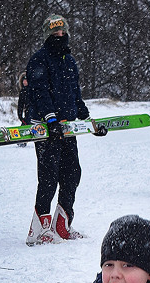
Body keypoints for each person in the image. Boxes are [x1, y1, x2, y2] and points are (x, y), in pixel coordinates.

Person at [23, 13, 104, 245]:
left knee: (72, 174)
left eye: (63, 33)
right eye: (55, 33)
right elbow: (38, 93)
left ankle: (62, 225)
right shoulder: (39, 60)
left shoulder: (70, 61)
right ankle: (39, 230)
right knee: (48, 177)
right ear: (47, 35)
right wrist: (50, 119)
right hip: (46, 127)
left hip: (67, 128)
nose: (60, 36)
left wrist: (88, 120)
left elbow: (74, 94)